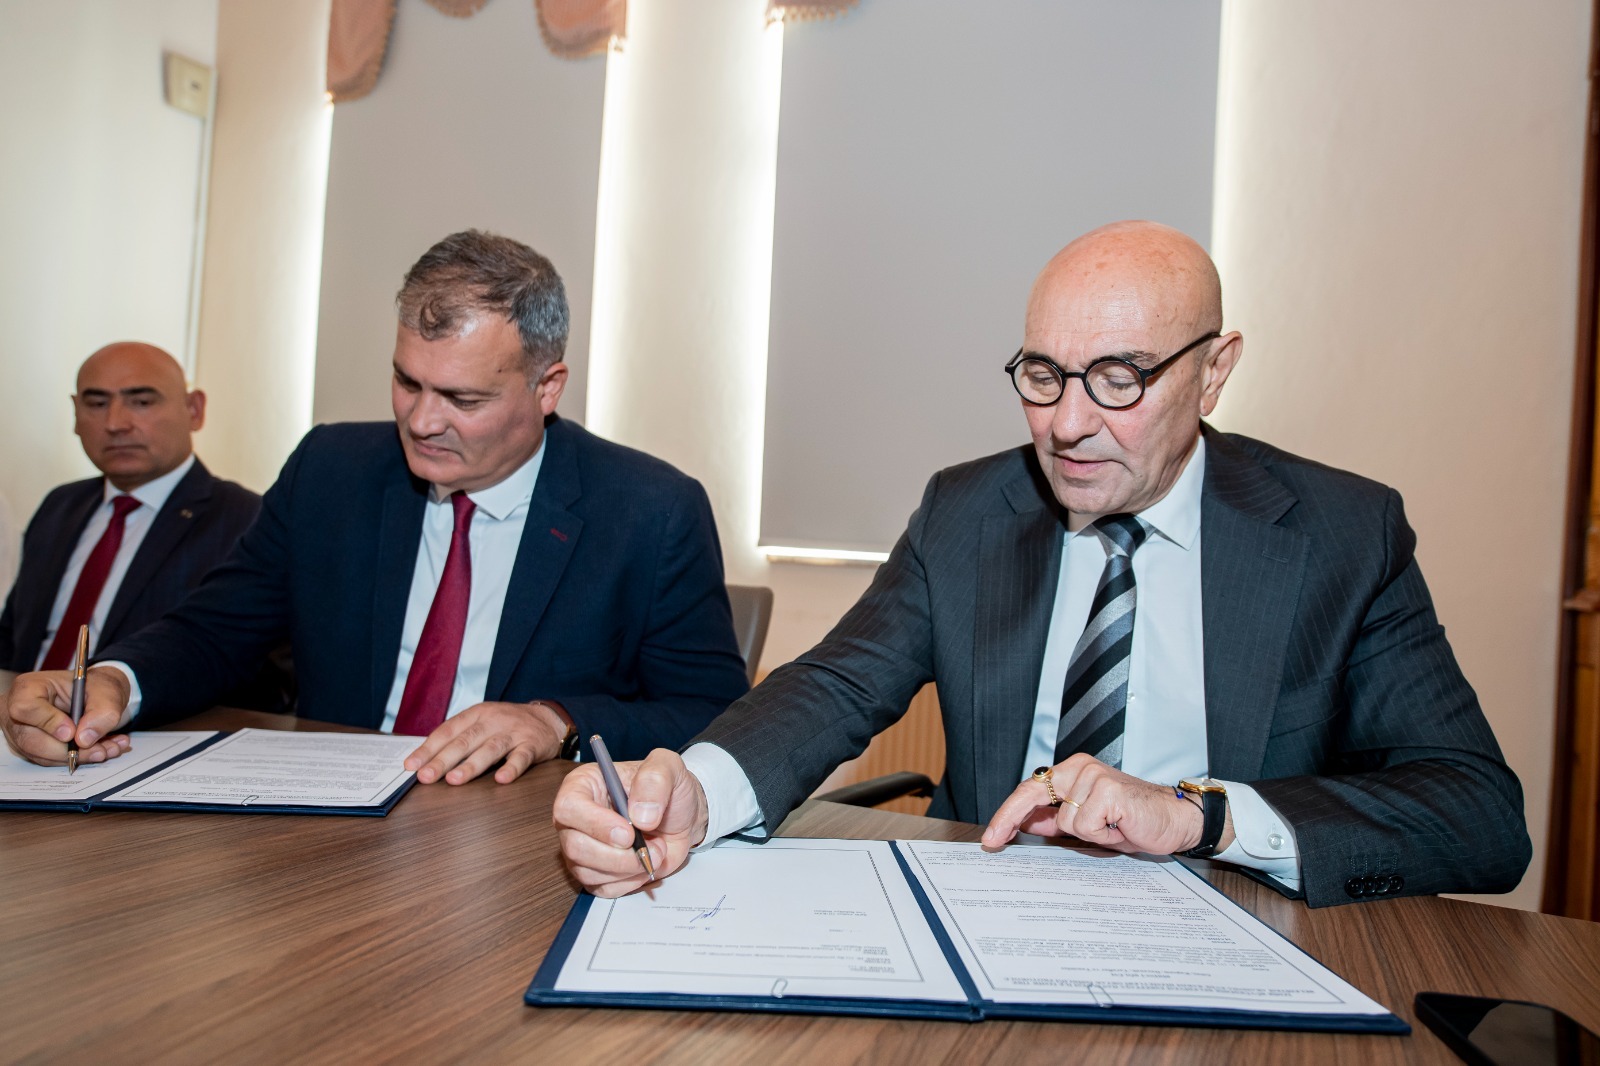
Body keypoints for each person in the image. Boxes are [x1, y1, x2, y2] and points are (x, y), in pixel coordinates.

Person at [554, 220, 1531, 909]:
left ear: (1214, 371)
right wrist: (698, 789)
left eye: (1119, 379)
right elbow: (836, 685)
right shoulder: (969, 510)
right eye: (1042, 375)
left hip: (1227, 922)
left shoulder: (1340, 533)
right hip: (988, 912)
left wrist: (1198, 816)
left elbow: (1477, 814)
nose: (1066, 425)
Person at [4, 230, 750, 783]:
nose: (422, 421)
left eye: (462, 398)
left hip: (519, 840)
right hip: (329, 824)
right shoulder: (332, 470)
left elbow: (710, 713)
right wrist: (116, 681)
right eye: (406, 382)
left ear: (546, 387)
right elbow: (216, 630)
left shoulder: (650, 511)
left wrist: (555, 720)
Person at [0, 343, 285, 710]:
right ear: (75, 414)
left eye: (142, 402)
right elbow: (12, 637)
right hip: (22, 720)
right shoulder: (60, 506)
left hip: (146, 727)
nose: (116, 423)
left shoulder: (246, 518)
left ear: (194, 410)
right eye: (96, 403)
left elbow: (266, 677)